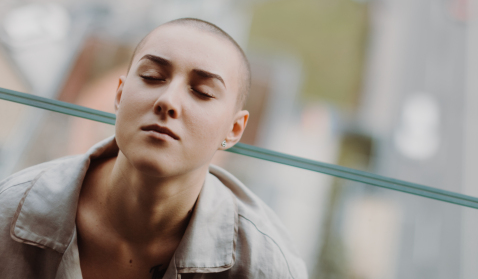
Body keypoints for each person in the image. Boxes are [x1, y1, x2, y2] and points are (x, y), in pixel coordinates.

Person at [0, 18, 308, 279]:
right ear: (119, 96)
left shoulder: (264, 265)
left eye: (202, 92)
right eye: (152, 77)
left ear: (234, 129)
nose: (168, 101)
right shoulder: (9, 211)